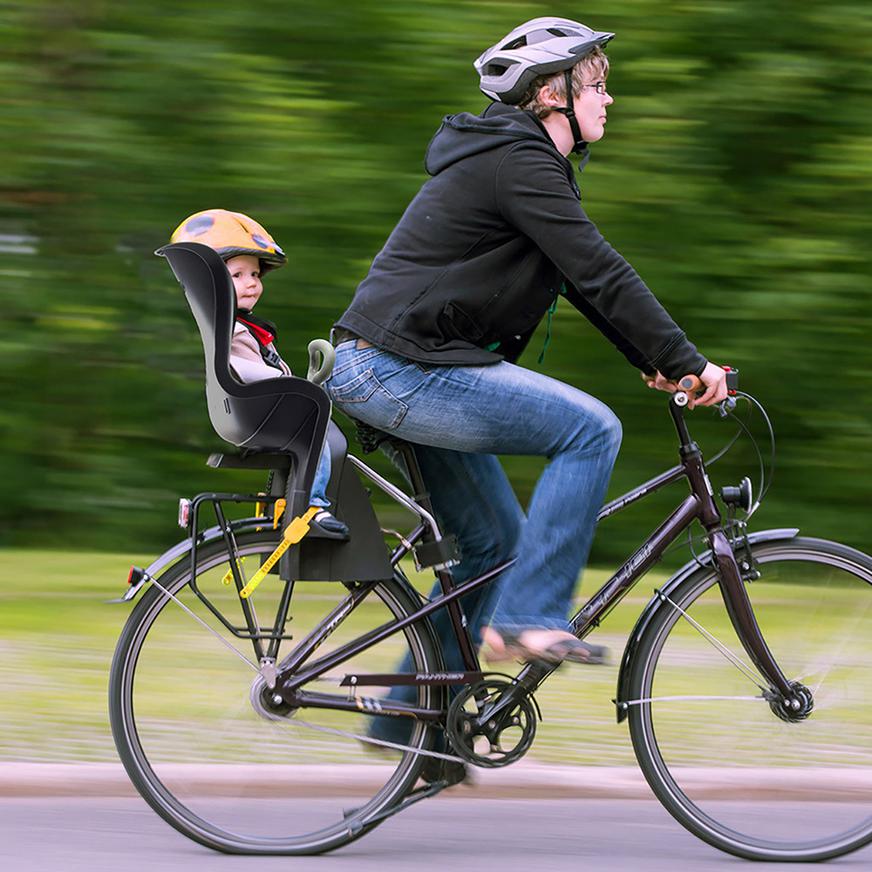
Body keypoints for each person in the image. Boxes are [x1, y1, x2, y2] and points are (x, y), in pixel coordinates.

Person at [327, 15, 727, 682]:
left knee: (495, 548)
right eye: (595, 85)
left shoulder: (517, 162)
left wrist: (655, 362)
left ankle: (409, 722)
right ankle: (530, 619)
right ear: (549, 94)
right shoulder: (520, 162)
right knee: (591, 430)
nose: (608, 98)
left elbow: (577, 280)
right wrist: (689, 360)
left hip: (393, 366)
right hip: (397, 370)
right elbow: (601, 270)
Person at [171, 209, 348, 538]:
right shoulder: (234, 329)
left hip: (247, 412)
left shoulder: (238, 325)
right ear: (214, 284)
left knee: (313, 424)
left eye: (255, 274)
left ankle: (287, 502)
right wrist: (286, 383)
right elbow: (241, 368)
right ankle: (313, 506)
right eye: (237, 275)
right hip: (254, 410)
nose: (251, 283)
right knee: (316, 427)